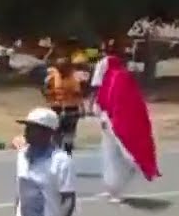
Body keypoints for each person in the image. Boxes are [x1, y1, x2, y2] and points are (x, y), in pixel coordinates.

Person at [97, 53, 160, 204]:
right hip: (108, 123)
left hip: (119, 123)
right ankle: (111, 188)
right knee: (109, 155)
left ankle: (118, 189)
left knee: (123, 158)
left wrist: (112, 119)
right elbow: (103, 99)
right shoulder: (108, 78)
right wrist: (103, 116)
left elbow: (122, 102)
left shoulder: (120, 77)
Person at [44, 56, 83, 154]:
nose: (61, 68)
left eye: (64, 66)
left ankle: (67, 153)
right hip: (56, 109)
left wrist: (81, 107)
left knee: (69, 135)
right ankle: (56, 154)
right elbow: (45, 91)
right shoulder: (51, 78)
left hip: (71, 109)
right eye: (60, 66)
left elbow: (78, 94)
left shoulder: (73, 79)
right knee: (55, 134)